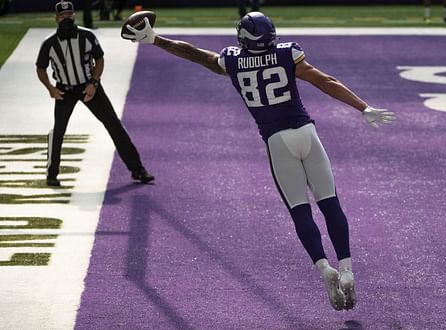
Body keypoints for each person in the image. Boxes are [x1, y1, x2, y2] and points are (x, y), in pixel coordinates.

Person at [123, 11, 395, 310]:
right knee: (330, 204)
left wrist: (155, 39)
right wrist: (363, 107)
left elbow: (196, 54)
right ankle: (346, 268)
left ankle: (323, 269)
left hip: (277, 142)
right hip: (306, 133)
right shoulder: (287, 53)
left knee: (300, 212)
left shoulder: (234, 61)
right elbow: (325, 81)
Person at [36, 1, 154, 187]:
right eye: (62, 16)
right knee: (58, 131)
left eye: (69, 15)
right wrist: (50, 88)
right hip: (64, 91)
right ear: (56, 18)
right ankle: (52, 174)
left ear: (74, 15)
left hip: (88, 87)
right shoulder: (49, 43)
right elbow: (40, 68)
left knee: (114, 125)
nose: (66, 18)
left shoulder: (87, 36)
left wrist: (94, 82)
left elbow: (99, 58)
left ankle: (137, 170)